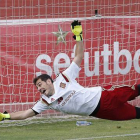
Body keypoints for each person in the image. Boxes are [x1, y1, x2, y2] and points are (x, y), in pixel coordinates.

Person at [0, 20, 140, 121]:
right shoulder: (45, 101)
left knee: (136, 89)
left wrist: (78, 37)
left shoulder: (64, 78)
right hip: (100, 112)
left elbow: (78, 57)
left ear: (49, 81)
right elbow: (26, 114)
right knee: (135, 114)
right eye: (37, 87)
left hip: (104, 96)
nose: (39, 89)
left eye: (40, 84)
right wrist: (6, 116)